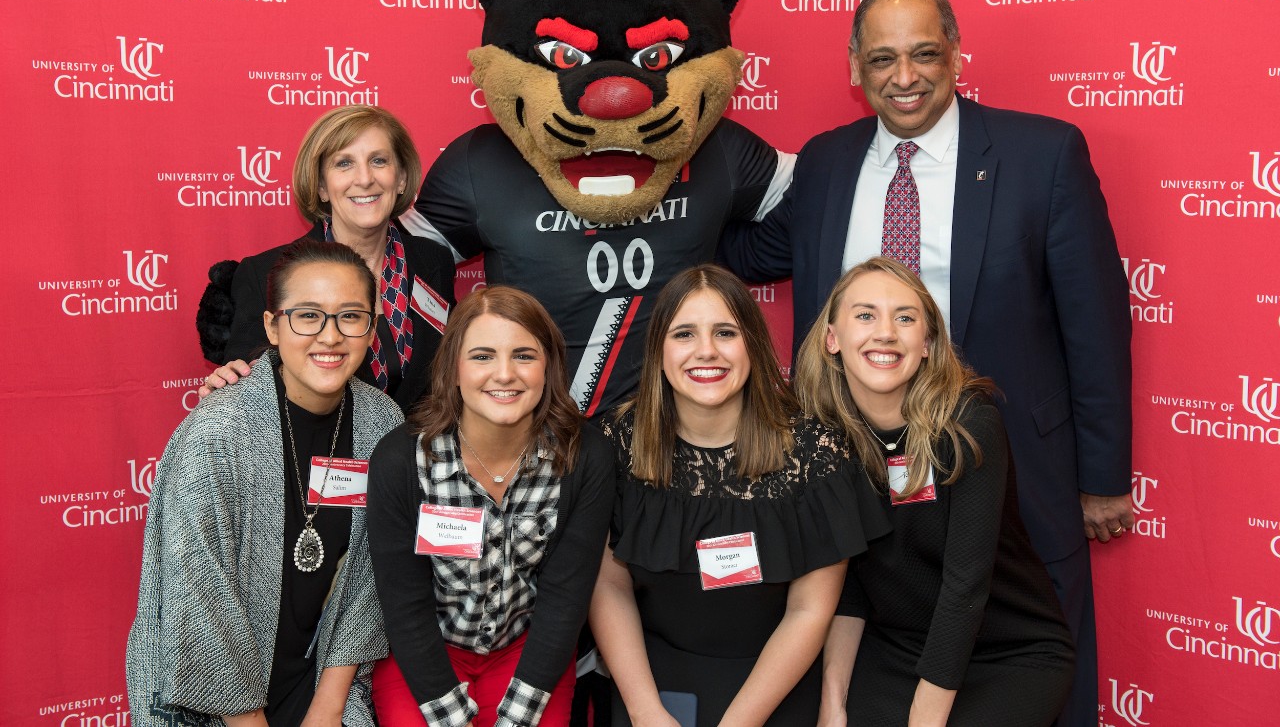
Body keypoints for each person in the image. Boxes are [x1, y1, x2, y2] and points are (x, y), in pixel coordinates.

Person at [719, 0, 1131, 725]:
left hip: (1014, 471)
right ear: (854, 67)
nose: (903, 77)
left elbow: (1095, 324)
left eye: (923, 55)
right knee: (884, 636)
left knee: (1042, 671)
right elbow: (748, 252)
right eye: (881, 59)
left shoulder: (1044, 156)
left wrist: (1103, 474)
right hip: (863, 471)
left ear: (956, 54)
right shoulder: (826, 162)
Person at [590, 265, 890, 727]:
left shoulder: (817, 452)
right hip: (648, 682)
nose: (706, 351)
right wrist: (645, 709)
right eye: (684, 333)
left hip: (775, 684)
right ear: (659, 351)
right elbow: (608, 585)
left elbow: (809, 611)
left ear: (752, 343)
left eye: (725, 332)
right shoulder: (617, 444)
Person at [127, 239, 404, 726]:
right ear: (273, 327)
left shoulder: (381, 422)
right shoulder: (218, 433)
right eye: (307, 316)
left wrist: (329, 708)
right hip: (207, 699)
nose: (330, 336)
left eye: (350, 316)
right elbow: (200, 596)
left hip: (321, 679)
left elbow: (370, 573)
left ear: (371, 328)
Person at [796, 257, 1075, 726]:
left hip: (1009, 652)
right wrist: (833, 699)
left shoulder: (969, 423)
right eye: (865, 315)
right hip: (896, 649)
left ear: (926, 343)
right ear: (832, 339)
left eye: (905, 318)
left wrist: (925, 718)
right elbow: (847, 586)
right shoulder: (821, 436)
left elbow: (965, 585)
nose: (885, 332)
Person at [366, 286, 615, 727]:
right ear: (454, 369)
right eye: (482, 356)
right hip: (424, 652)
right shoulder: (400, 459)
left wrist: (517, 717)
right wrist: (449, 716)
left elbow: (566, 599)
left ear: (549, 368)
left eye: (524, 355)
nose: (504, 374)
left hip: (531, 652)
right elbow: (404, 604)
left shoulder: (584, 455)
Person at [203, 104, 456, 414]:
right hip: (317, 458)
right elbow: (247, 390)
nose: (364, 179)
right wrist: (229, 382)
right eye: (344, 163)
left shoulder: (434, 261)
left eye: (378, 160)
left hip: (416, 457)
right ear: (321, 186)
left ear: (401, 179)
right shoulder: (264, 274)